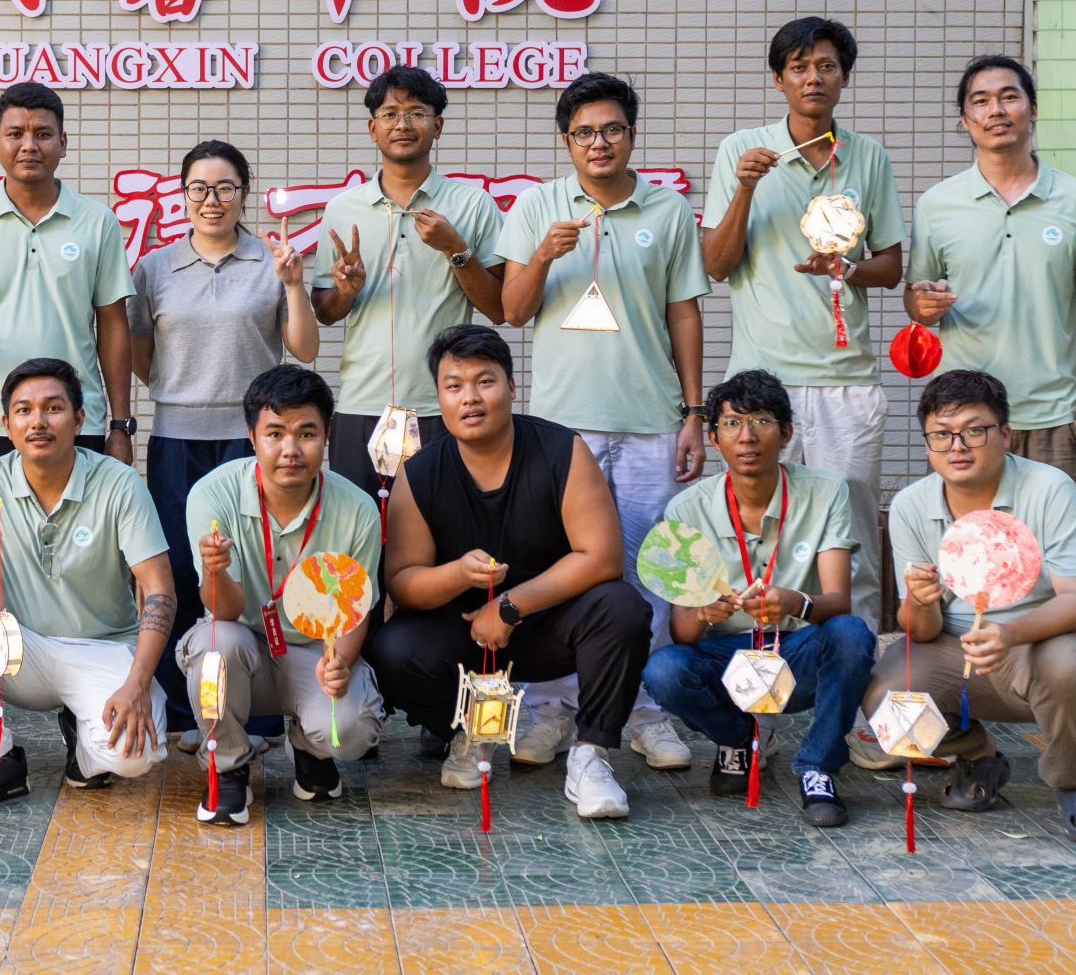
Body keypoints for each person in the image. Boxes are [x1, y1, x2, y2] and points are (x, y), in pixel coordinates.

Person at [0, 82, 137, 764]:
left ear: (63, 142)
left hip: (78, 424)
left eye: (42, 133)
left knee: (86, 561)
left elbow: (113, 327)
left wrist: (120, 422)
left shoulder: (95, 223)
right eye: (15, 133)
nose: (29, 144)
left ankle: (80, 695)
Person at [701, 17, 905, 768]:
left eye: (825, 65)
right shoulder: (743, 151)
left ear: (843, 76)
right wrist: (745, 189)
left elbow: (890, 265)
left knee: (851, 549)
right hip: (765, 381)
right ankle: (748, 717)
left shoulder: (868, 156)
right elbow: (717, 262)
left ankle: (861, 712)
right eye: (798, 66)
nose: (813, 77)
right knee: (756, 549)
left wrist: (844, 268)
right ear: (778, 78)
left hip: (846, 383)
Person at [497, 72, 705, 773]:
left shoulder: (668, 210)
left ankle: (643, 709)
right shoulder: (538, 205)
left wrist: (694, 412)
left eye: (612, 129)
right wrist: (544, 256)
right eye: (584, 132)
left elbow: (683, 313)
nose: (599, 142)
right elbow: (512, 309)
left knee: (650, 571)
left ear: (631, 135)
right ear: (567, 142)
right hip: (562, 430)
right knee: (561, 571)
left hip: (650, 420)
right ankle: (553, 705)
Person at [365, 326, 651, 820]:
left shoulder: (562, 450)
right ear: (439, 398)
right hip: (463, 634)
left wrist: (510, 606)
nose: (470, 398)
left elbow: (602, 557)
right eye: (454, 386)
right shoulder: (421, 471)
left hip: (548, 625)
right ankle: (469, 730)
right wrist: (458, 574)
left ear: (512, 387)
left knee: (622, 609)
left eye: (485, 381)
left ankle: (591, 756)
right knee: (393, 650)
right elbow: (404, 583)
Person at [865, 369, 1076, 843]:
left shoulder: (1050, 489)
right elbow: (920, 631)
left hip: (1045, 641)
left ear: (1005, 434)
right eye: (942, 434)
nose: (957, 446)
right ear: (927, 444)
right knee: (886, 693)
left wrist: (1009, 634)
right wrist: (921, 602)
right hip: (956, 649)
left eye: (974, 431)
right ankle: (977, 753)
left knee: (1068, 665)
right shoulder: (910, 506)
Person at [0, 360, 174, 816]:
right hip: (21, 651)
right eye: (24, 410)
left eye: (53, 408)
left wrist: (137, 685)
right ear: (7, 425)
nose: (37, 421)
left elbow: (159, 591)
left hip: (103, 649)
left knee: (133, 756)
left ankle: (85, 747)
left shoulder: (118, 483)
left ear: (79, 420)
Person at [130, 140, 317, 727]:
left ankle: (254, 710)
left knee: (251, 568)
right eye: (199, 189)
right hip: (176, 439)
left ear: (244, 193)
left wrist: (293, 285)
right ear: (182, 195)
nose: (211, 200)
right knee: (181, 568)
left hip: (251, 442)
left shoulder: (272, 261)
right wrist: (183, 388)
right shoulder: (154, 268)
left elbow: (304, 348)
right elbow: (141, 353)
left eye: (225, 188)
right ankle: (184, 709)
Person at [641, 370, 877, 826]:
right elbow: (682, 632)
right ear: (713, 437)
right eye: (731, 424)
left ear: (786, 433)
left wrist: (795, 602)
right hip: (724, 654)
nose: (746, 437)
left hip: (795, 648)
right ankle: (740, 741)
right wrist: (704, 613)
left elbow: (838, 601)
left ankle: (818, 767)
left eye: (762, 422)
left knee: (851, 634)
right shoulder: (686, 509)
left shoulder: (826, 491)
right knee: (664, 671)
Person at [903, 56, 1076, 494]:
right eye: (981, 101)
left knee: (1054, 536)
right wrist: (923, 303)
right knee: (968, 537)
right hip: (963, 417)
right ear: (964, 120)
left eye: (1009, 97)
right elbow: (916, 302)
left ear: (1033, 109)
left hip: (1051, 415)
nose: (996, 110)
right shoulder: (937, 204)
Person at [180, 365, 384, 825]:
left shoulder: (357, 509)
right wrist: (216, 570)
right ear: (252, 437)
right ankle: (228, 767)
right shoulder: (212, 496)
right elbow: (225, 611)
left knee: (350, 730)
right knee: (215, 647)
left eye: (306, 433)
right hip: (242, 646)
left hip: (315, 650)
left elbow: (355, 613)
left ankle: (311, 749)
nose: (291, 449)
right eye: (275, 434)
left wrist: (340, 662)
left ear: (326, 436)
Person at [311, 67, 505, 504]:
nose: (403, 124)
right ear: (373, 128)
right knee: (360, 530)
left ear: (438, 125)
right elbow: (324, 310)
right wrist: (346, 292)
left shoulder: (472, 204)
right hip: (362, 403)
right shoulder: (343, 208)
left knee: (445, 529)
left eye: (416, 113)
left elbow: (499, 307)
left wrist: (455, 249)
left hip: (445, 403)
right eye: (390, 114)